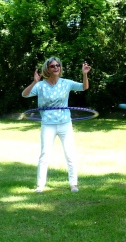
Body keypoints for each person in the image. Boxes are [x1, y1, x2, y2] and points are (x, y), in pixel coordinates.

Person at [22, 57, 91, 193]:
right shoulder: (41, 85)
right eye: (52, 66)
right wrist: (34, 82)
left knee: (70, 154)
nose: (56, 68)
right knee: (45, 154)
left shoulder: (66, 83)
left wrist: (85, 74)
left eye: (58, 65)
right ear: (47, 68)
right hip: (48, 124)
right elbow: (24, 94)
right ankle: (40, 185)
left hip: (65, 123)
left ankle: (73, 184)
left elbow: (84, 87)